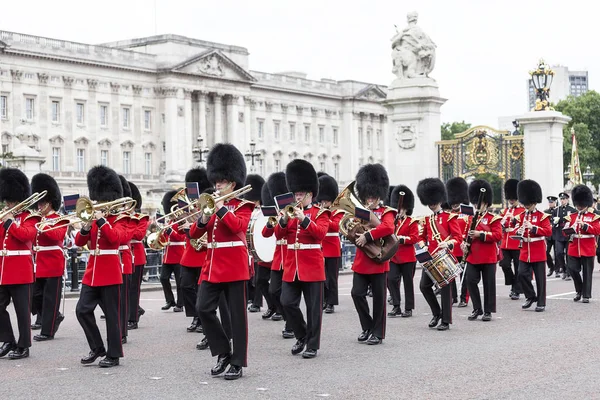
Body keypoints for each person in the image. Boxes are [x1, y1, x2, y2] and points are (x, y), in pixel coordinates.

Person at [190, 143, 254, 380]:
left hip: (235, 264)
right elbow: (194, 235)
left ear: (233, 184)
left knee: (237, 317)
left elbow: (238, 227)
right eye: (216, 181)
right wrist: (204, 216)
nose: (217, 185)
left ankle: (238, 361)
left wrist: (220, 209)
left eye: (222, 182)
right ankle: (223, 352)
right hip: (213, 264)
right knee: (203, 308)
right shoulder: (211, 206)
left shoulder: (244, 207)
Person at [75, 166, 127, 367]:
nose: (98, 204)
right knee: (82, 310)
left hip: (110, 272)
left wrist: (102, 220)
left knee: (112, 317)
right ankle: (97, 347)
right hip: (92, 272)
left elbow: (115, 240)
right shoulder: (94, 220)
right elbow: (80, 242)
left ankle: (113, 354)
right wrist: (86, 226)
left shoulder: (121, 219)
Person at [276, 159, 329, 358]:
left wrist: (304, 219)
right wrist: (283, 220)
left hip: (312, 265)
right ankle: (302, 335)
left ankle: (313, 345)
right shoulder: (288, 213)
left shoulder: (320, 213)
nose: (297, 197)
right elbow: (279, 236)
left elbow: (321, 234)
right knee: (287, 302)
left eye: (301, 194)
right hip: (292, 266)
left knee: (314, 309)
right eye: (296, 193)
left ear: (310, 194)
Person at [350, 164, 395, 345]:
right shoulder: (359, 212)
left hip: (378, 260)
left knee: (379, 300)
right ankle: (367, 326)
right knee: (356, 294)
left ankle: (378, 332)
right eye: (368, 196)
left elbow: (388, 228)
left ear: (379, 195)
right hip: (362, 261)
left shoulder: (387, 212)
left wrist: (367, 235)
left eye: (373, 196)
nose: (370, 199)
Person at [0, 169, 40, 359]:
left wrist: (9, 223)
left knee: (22, 311)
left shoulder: (31, 217)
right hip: (3, 270)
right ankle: (8, 340)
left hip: (21, 270)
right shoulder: (4, 216)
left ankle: (24, 345)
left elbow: (26, 236)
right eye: (7, 199)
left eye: (11, 200)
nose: (8, 203)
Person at [416, 178, 461, 331]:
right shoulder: (427, 220)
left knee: (445, 289)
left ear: (440, 199)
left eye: (434, 201)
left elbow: (458, 238)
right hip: (431, 258)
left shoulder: (450, 217)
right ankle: (437, 313)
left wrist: (447, 243)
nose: (432, 204)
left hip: (444, 257)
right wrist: (423, 247)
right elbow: (421, 238)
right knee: (424, 286)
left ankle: (446, 320)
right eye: (429, 202)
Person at [31, 173, 68, 342]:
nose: (39, 206)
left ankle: (48, 331)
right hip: (38, 263)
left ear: (50, 203)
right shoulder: (37, 219)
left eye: (42, 203)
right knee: (35, 296)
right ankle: (54, 316)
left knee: (50, 298)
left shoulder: (59, 219)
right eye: (38, 203)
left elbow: (58, 236)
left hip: (53, 262)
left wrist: (45, 225)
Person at [462, 179, 502, 321]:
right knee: (470, 281)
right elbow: (465, 235)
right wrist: (464, 243)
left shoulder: (493, 218)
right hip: (473, 256)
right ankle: (477, 308)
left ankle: (488, 311)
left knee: (488, 284)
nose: (476, 205)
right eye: (474, 203)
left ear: (486, 203)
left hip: (488, 256)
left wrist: (481, 234)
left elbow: (498, 235)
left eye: (479, 203)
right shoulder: (470, 219)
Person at [178, 167, 211, 333]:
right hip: (189, 252)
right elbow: (179, 230)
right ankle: (194, 315)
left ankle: (200, 318)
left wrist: (191, 225)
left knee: (200, 289)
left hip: (203, 252)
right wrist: (182, 223)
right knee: (185, 285)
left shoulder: (206, 205)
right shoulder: (187, 207)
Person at [261, 172, 293, 338]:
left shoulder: (293, 213)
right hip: (278, 258)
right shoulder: (277, 213)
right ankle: (288, 318)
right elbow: (266, 233)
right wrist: (270, 221)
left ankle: (290, 324)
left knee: (288, 296)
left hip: (290, 256)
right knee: (274, 291)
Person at [515, 180, 552, 312]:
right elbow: (516, 231)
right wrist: (518, 232)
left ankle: (541, 302)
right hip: (525, 250)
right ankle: (530, 296)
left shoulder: (542, 216)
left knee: (540, 279)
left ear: (534, 203)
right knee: (521, 274)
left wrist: (534, 228)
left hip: (538, 250)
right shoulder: (520, 216)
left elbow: (548, 232)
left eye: (528, 204)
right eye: (525, 204)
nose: (526, 206)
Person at [564, 185, 600, 303]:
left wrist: (584, 225)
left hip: (587, 246)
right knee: (572, 269)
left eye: (582, 205)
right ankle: (579, 290)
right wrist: (569, 228)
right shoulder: (571, 216)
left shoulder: (594, 216)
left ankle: (586, 295)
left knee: (587, 272)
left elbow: (597, 230)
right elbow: (564, 233)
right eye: (578, 205)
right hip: (574, 247)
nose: (580, 207)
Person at [387, 184, 418, 318]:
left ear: (406, 208)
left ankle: (409, 308)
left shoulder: (411, 222)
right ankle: (396, 305)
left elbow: (415, 238)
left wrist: (401, 239)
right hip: (394, 257)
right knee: (391, 279)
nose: (399, 211)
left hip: (407, 257)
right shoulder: (392, 221)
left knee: (408, 283)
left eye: (402, 209)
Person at [245, 174, 272, 315]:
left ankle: (263, 303)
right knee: (259, 280)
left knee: (270, 283)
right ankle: (270, 305)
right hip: (253, 247)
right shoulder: (249, 210)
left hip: (267, 248)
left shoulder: (266, 211)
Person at [316, 173, 343, 314]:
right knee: (322, 277)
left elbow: (336, 226)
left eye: (326, 200)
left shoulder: (337, 211)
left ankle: (331, 302)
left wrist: (325, 216)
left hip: (332, 247)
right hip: (321, 246)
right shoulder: (319, 210)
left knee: (332, 278)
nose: (323, 202)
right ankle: (323, 300)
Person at [127, 181, 149, 330]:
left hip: (137, 255)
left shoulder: (141, 217)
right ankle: (134, 310)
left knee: (134, 288)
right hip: (125, 254)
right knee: (124, 287)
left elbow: (139, 235)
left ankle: (133, 319)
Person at [158, 191, 185, 312]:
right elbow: (165, 238)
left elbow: (181, 237)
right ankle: (170, 300)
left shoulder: (182, 220)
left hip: (178, 254)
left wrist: (170, 232)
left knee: (180, 282)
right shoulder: (168, 221)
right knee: (163, 278)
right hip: (168, 255)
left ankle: (180, 303)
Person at [445, 177, 470, 307]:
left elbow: (471, 226)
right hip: (452, 247)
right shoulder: (448, 214)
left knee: (464, 275)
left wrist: (466, 241)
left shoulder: (467, 212)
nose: (454, 204)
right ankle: (453, 297)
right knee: (451, 275)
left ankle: (464, 298)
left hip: (463, 247)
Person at [499, 179, 525, 300]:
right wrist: (503, 221)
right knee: (504, 264)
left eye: (513, 198)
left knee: (518, 267)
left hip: (516, 242)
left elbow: (523, 226)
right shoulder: (504, 211)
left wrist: (514, 218)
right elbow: (498, 226)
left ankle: (516, 290)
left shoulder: (523, 211)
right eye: (510, 198)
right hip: (505, 243)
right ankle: (513, 282)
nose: (511, 200)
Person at [116, 176, 134, 344]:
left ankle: (122, 332)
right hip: (110, 262)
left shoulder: (127, 218)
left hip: (123, 259)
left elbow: (125, 237)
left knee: (122, 299)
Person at [552, 192, 575, 280]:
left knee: (569, 254)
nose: (562, 201)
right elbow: (552, 222)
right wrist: (555, 222)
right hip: (559, 234)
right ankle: (564, 268)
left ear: (567, 199)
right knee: (559, 253)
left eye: (564, 199)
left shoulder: (572, 210)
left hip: (568, 234)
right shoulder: (556, 210)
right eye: (561, 199)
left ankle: (568, 272)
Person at [544, 196, 557, 277]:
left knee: (557, 253)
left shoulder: (558, 211)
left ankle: (558, 269)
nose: (550, 203)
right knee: (546, 252)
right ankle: (551, 267)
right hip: (548, 236)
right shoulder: (545, 212)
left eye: (552, 202)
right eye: (549, 202)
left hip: (556, 234)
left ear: (555, 202)